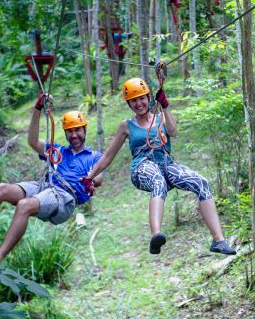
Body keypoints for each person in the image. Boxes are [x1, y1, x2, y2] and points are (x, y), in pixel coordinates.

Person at [0, 95, 103, 276]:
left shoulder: (93, 157)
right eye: (70, 131)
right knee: (1, 189)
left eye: (78, 130)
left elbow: (99, 178)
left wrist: (90, 179)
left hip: (65, 198)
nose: (74, 135)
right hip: (46, 186)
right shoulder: (58, 150)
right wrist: (37, 110)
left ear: (85, 130)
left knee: (24, 205)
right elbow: (32, 141)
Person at [82, 77, 236, 256]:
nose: (139, 103)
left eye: (142, 98)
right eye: (134, 100)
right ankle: (156, 236)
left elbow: (173, 132)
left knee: (201, 182)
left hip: (166, 164)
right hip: (142, 167)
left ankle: (218, 240)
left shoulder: (161, 117)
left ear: (148, 98)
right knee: (157, 181)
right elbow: (108, 156)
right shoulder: (126, 125)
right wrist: (90, 176)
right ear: (129, 104)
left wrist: (166, 106)